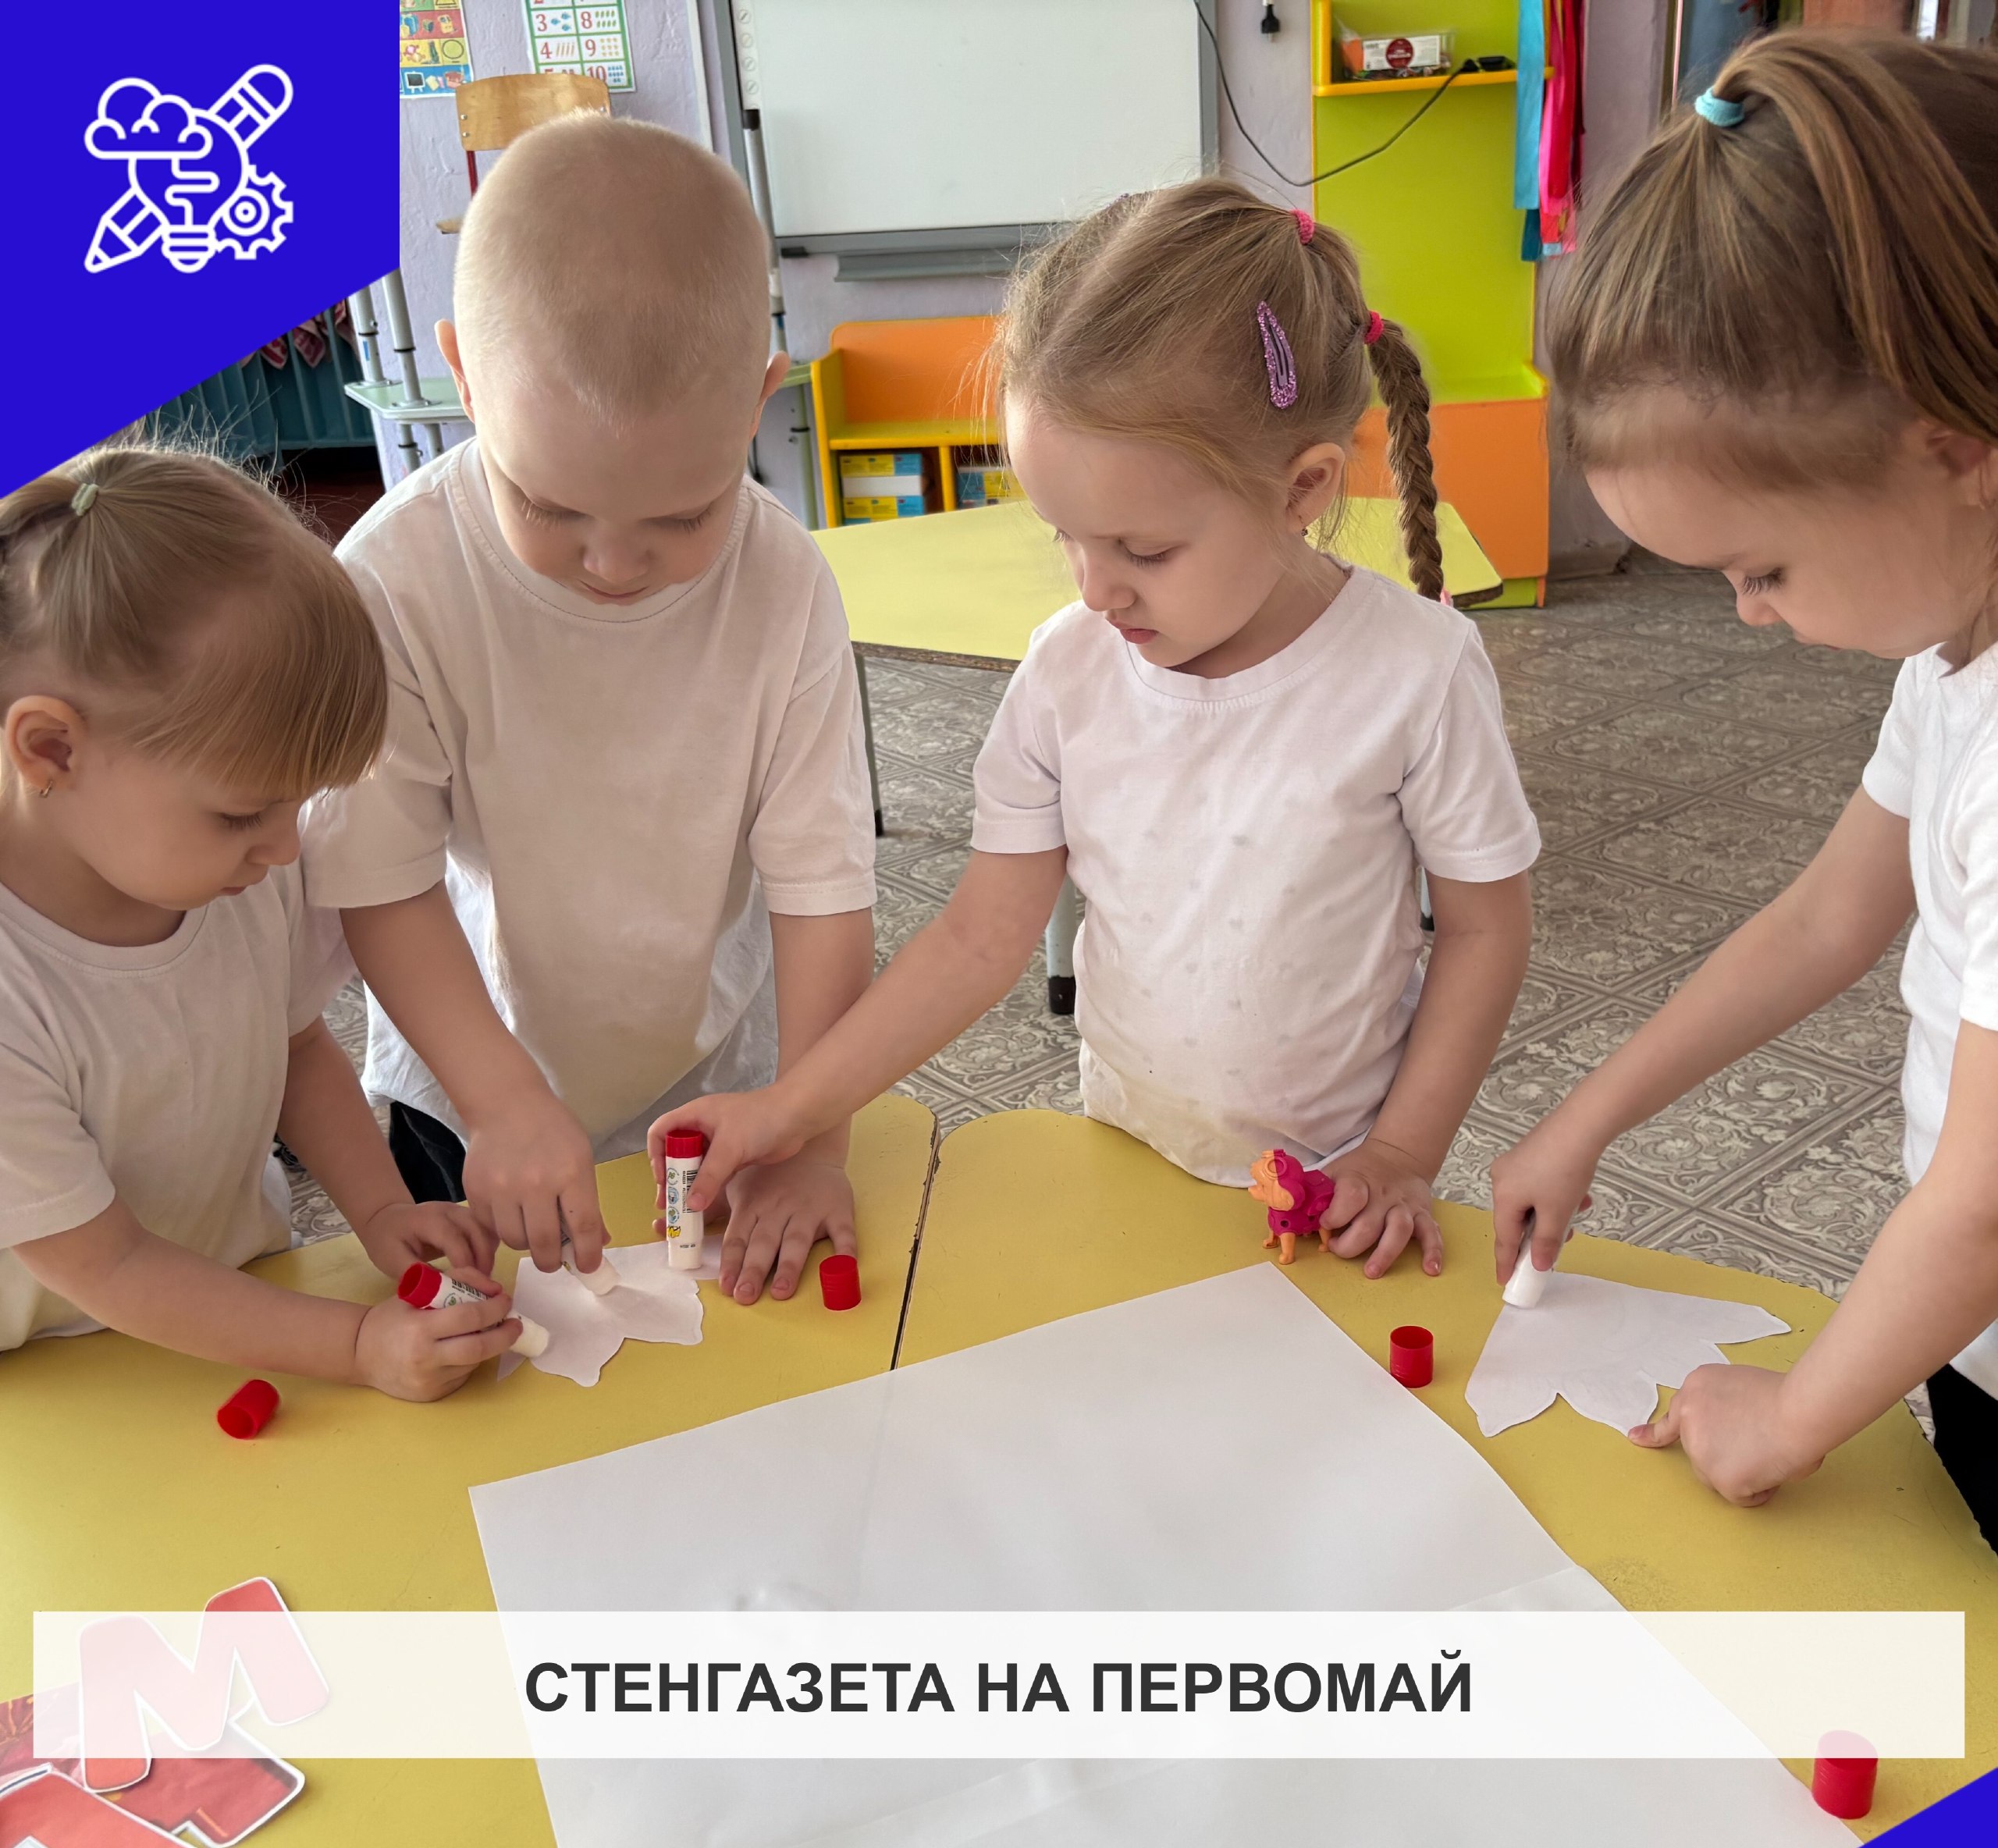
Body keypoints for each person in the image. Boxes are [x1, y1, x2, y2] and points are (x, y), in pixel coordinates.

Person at [663, 179, 1538, 1279]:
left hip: (1344, 1186)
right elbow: (978, 940)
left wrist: (1403, 1153)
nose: (1096, 589)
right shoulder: (1067, 671)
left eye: (1145, 550)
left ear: (1303, 488)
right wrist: (790, 1111)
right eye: (1064, 536)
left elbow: (1483, 931)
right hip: (1124, 1153)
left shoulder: (1416, 671)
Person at [1491, 34, 1998, 1537]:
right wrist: (1590, 1116)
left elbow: (1983, 1208)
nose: (1746, 616)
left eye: (1760, 568)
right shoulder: (1957, 643)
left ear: (1957, 450)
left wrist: (1793, 1415)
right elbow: (1823, 918)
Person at [301, 115, 877, 1305]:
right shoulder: (391, 585)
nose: (613, 564)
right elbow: (380, 880)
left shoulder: (785, 586)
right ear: (463, 379)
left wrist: (812, 1132)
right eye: (548, 507)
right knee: (501, 1359)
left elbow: (824, 891)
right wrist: (503, 1100)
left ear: (759, 399)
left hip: (716, 1073)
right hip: (468, 1077)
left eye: (683, 517)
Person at [0, 446, 518, 1399]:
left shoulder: (237, 871)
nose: (285, 848)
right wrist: (359, 1345)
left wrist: (381, 1209)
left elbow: (295, 1048)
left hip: (237, 1295)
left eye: (298, 805)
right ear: (51, 750)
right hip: (49, 1377)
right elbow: (107, 1264)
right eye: (242, 814)